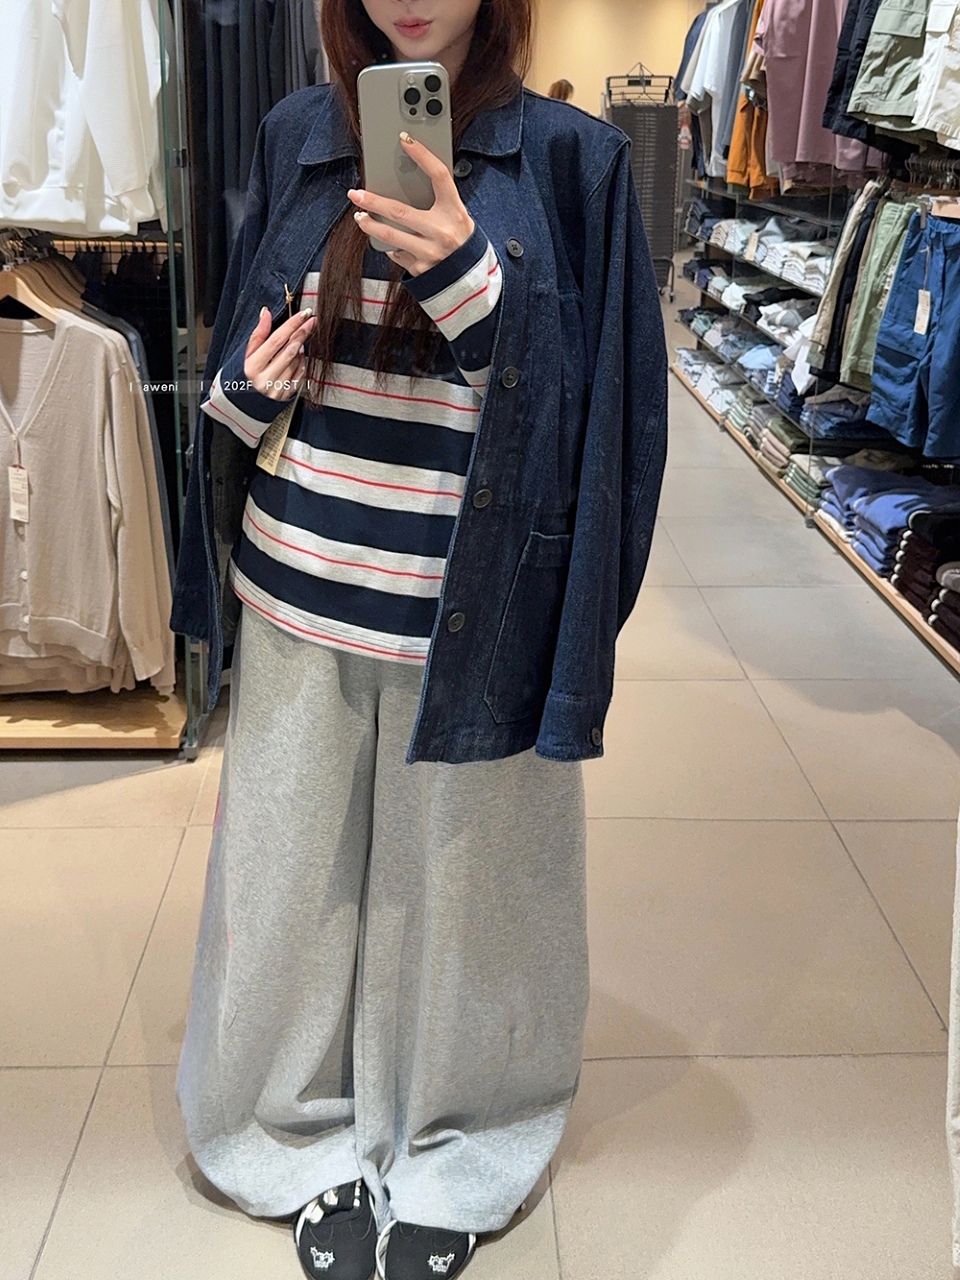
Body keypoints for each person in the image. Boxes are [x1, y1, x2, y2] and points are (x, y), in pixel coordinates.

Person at [171, 0, 667, 1277]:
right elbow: (242, 371)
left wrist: (469, 281)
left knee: (475, 902)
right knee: (287, 890)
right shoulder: (299, 135)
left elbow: (603, 419)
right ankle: (289, 1133)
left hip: (478, 606)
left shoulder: (574, 161)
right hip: (300, 584)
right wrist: (247, 388)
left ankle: (462, 1141)